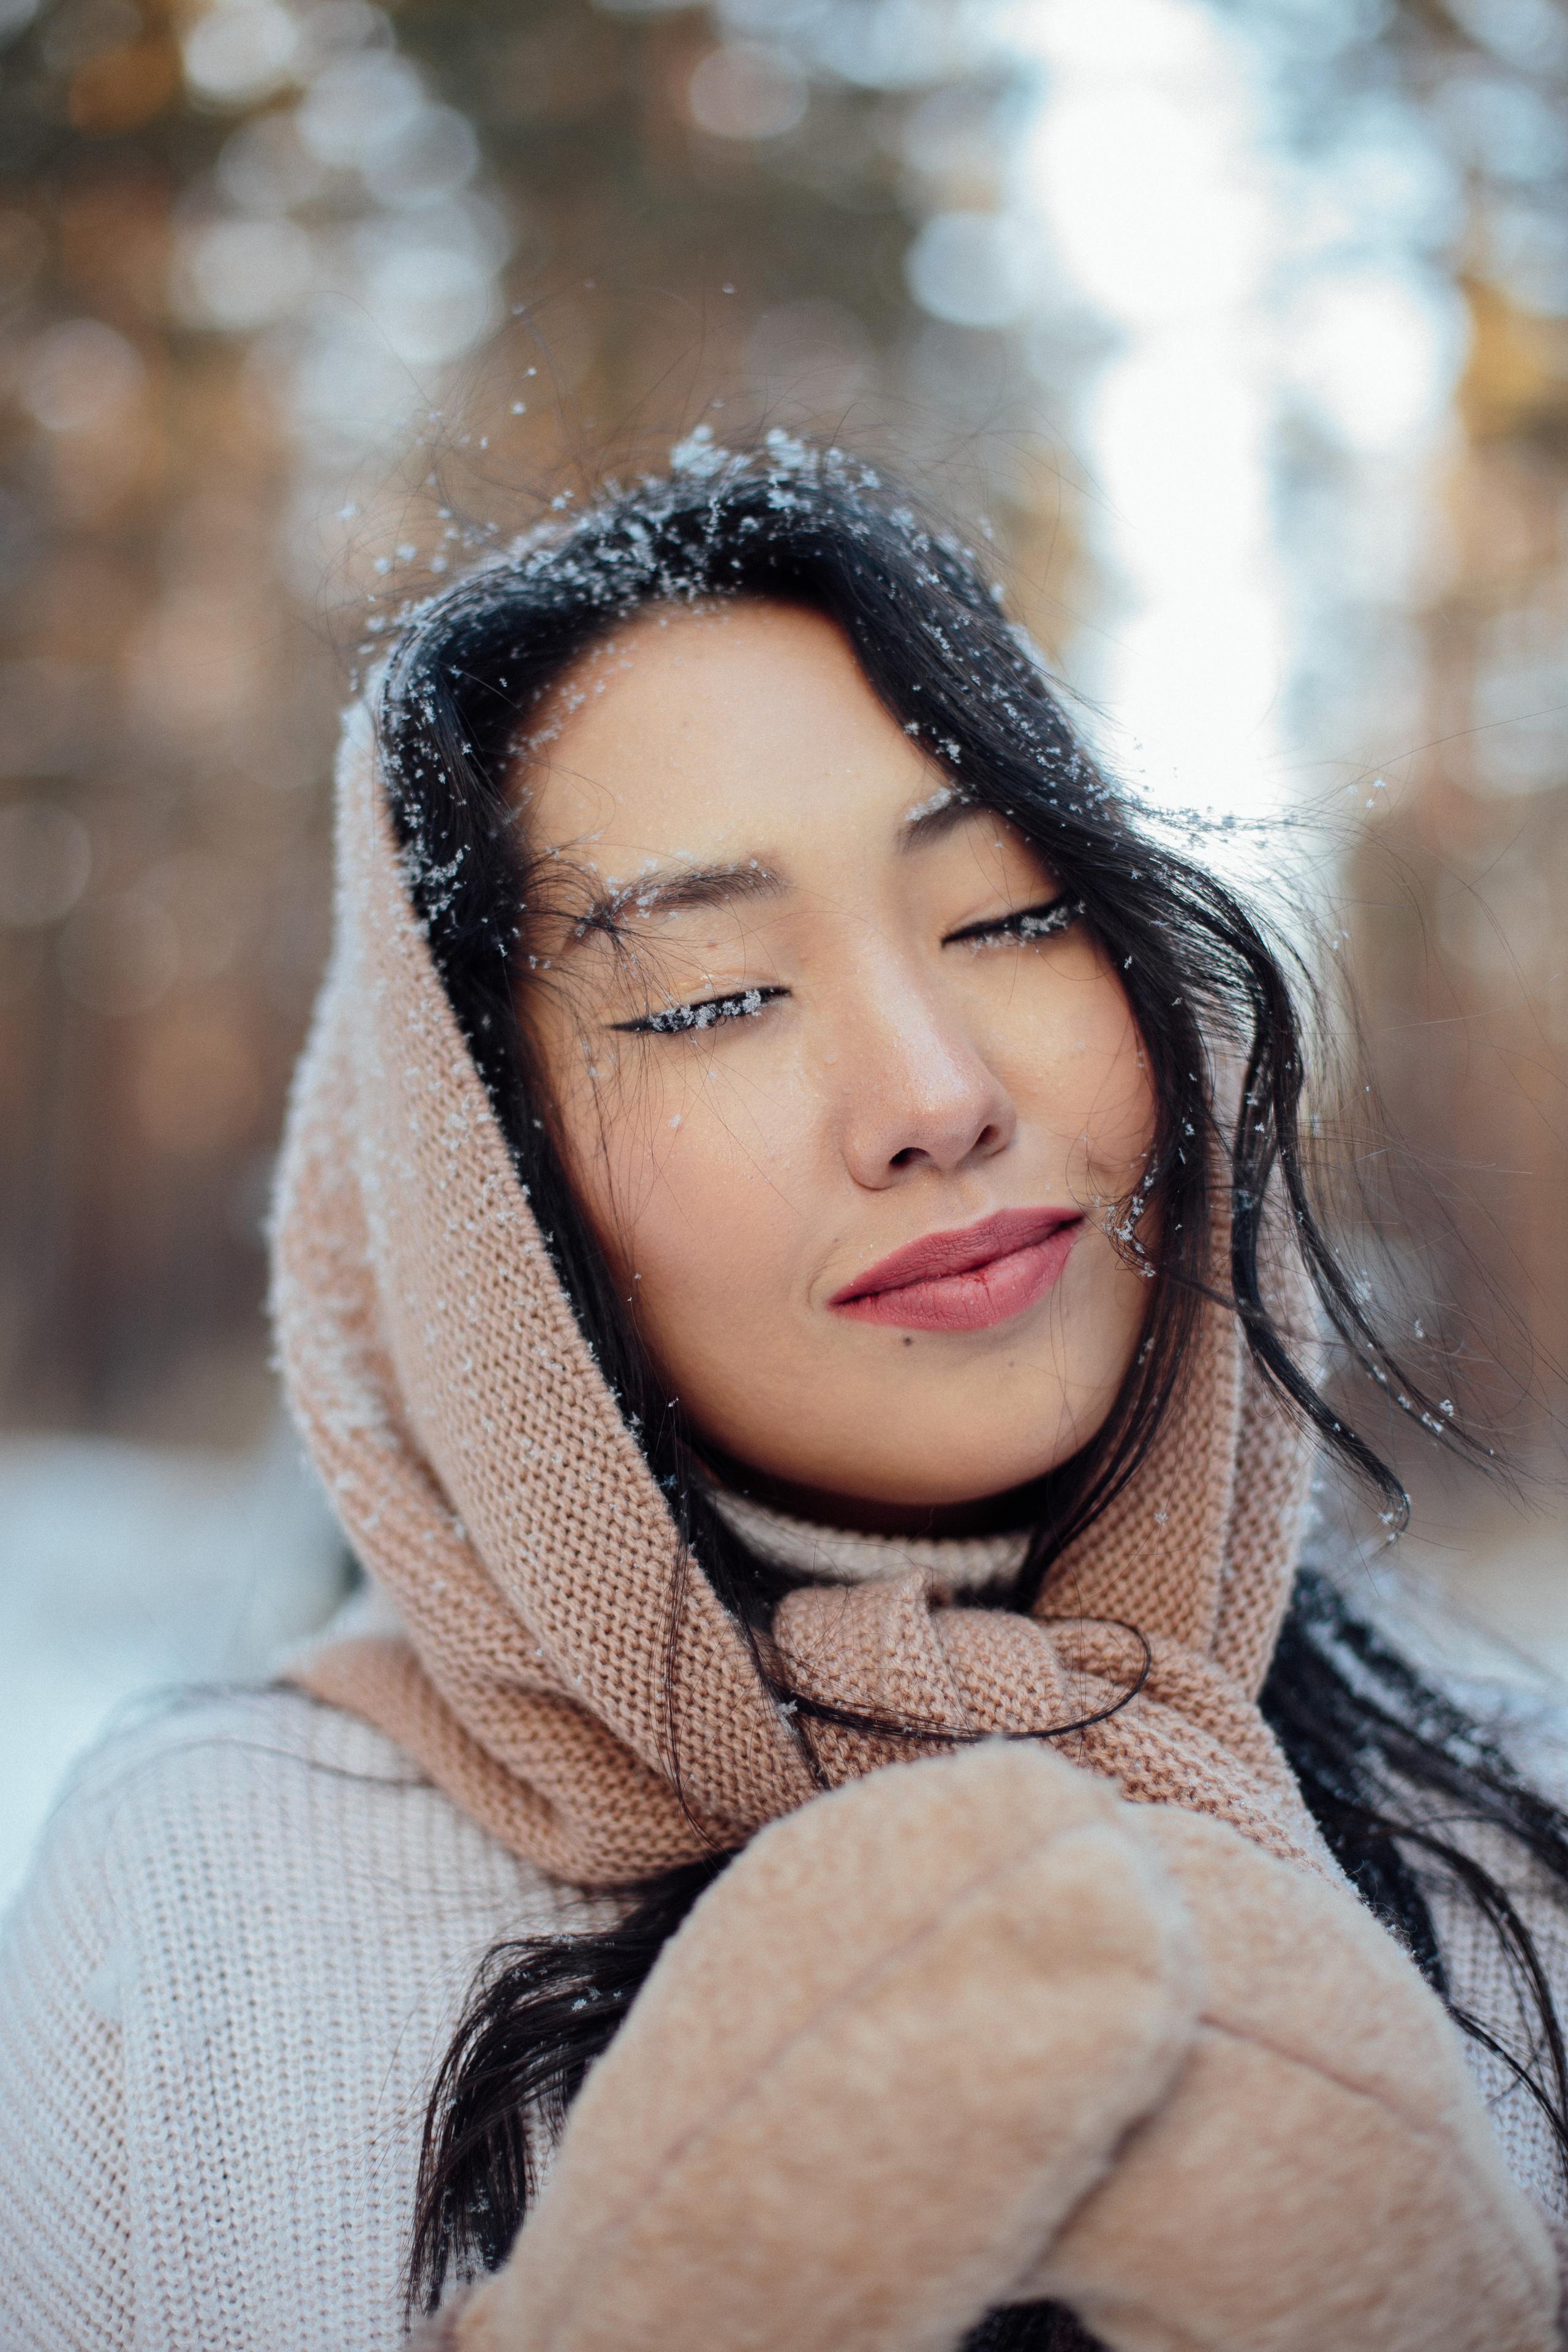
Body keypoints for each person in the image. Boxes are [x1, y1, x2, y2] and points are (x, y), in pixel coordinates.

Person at [3, 435, 1568, 2352]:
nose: (933, 1095)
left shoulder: (1520, 1842)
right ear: (482, 1186)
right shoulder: (206, 1907)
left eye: (1008, 918)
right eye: (708, 999)